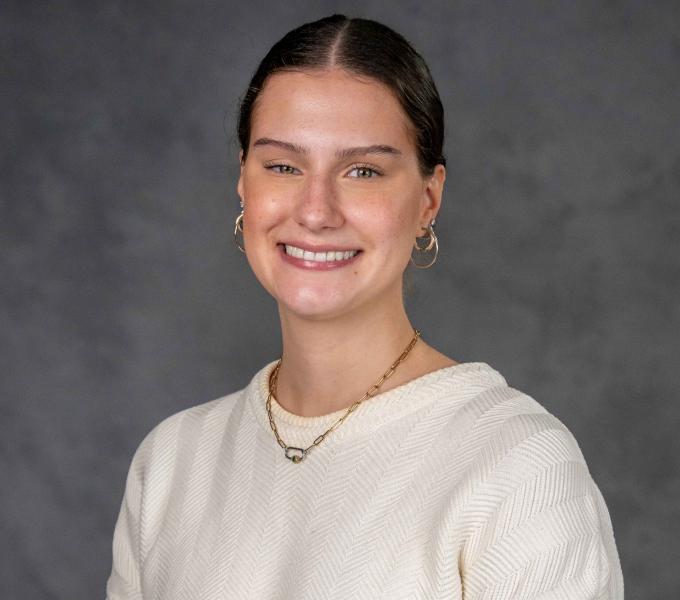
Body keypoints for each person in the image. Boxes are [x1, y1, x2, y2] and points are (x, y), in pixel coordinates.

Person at [106, 14, 624, 599]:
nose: (316, 210)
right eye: (282, 165)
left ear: (429, 199)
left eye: (363, 171)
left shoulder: (517, 467)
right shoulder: (172, 464)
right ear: (243, 184)